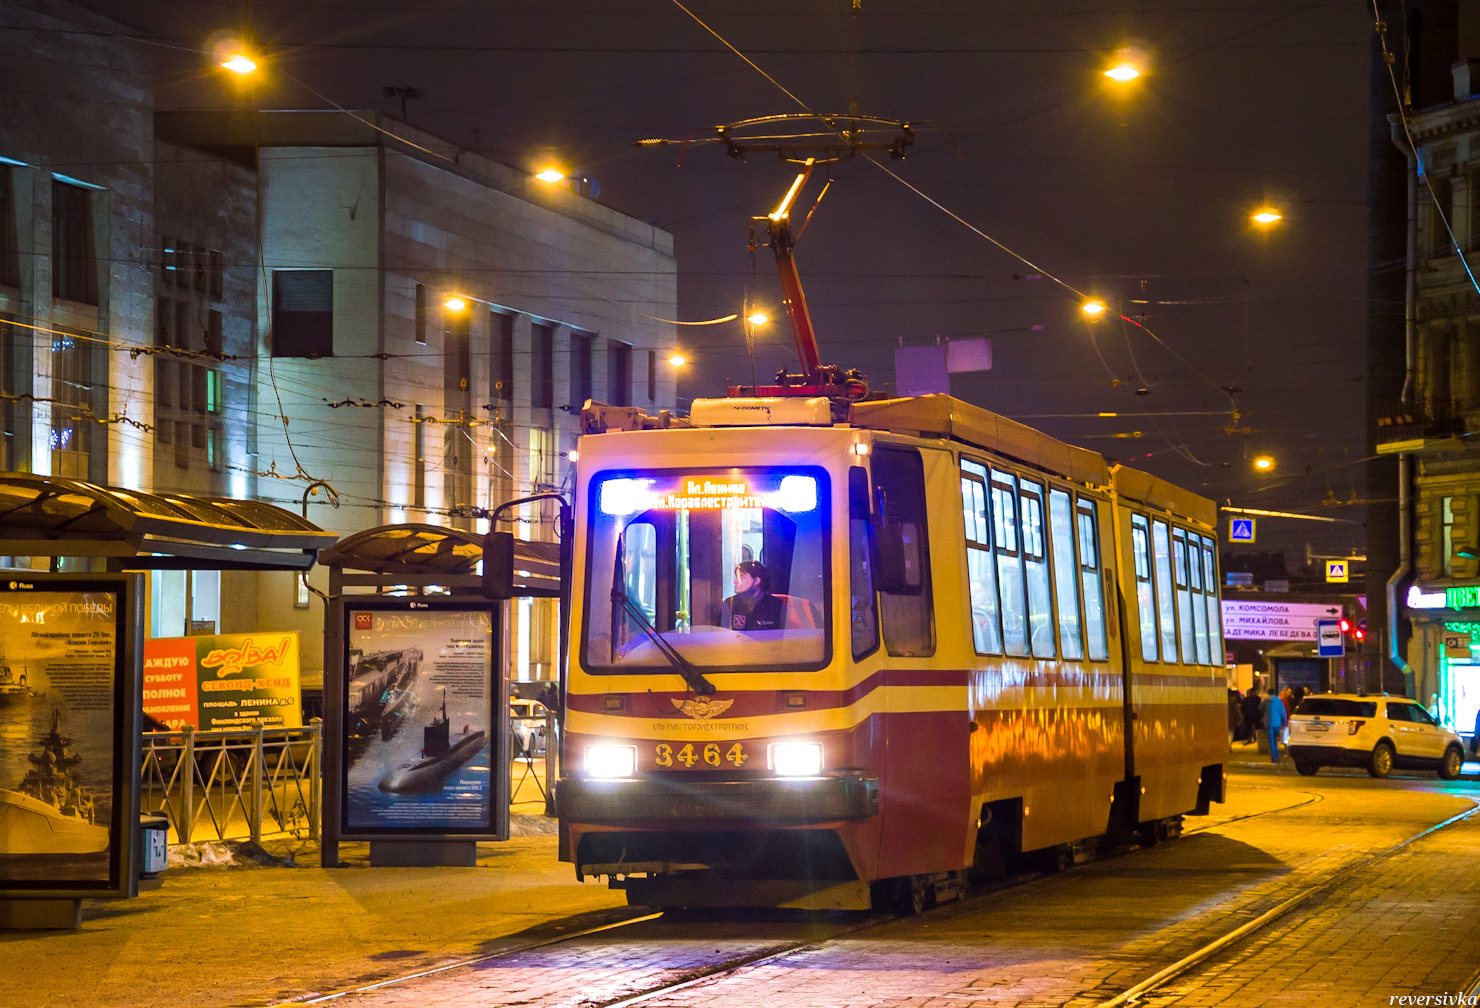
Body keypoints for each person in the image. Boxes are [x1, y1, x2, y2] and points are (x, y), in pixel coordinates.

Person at [721, 560, 786, 631]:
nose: (735, 581)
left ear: (756, 581)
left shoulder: (778, 606)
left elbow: (787, 638)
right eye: (736, 576)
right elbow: (725, 638)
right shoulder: (730, 604)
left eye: (741, 576)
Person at [1262, 688, 1288, 764]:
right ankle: (1277, 755)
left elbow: (1260, 708)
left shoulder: (1266, 701)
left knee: (1272, 741)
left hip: (1269, 724)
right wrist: (1285, 724)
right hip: (1277, 724)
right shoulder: (1279, 702)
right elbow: (1283, 713)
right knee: (1276, 740)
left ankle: (1274, 757)